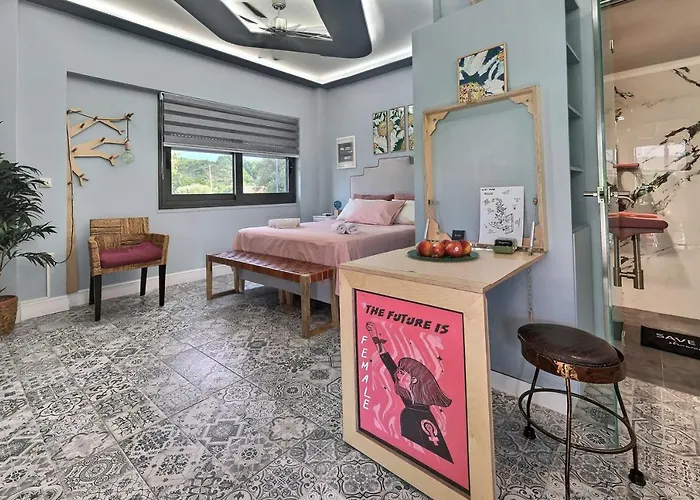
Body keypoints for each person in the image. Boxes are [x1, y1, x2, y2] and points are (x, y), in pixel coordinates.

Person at [367, 321, 453, 463]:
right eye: (399, 371)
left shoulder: (421, 415)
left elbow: (436, 450)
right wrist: (375, 337)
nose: (398, 374)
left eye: (402, 372)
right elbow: (390, 365)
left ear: (414, 380)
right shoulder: (412, 402)